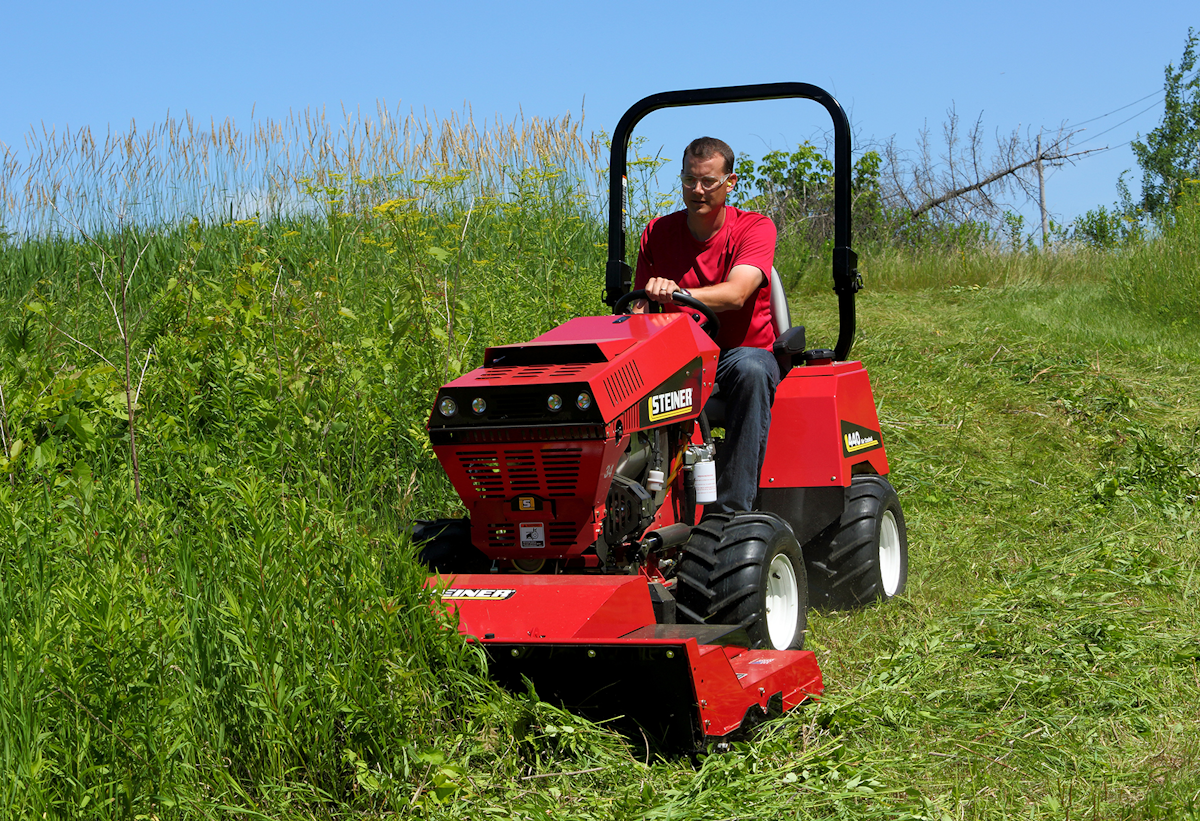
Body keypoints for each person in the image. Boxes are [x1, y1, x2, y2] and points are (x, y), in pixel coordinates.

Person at [632, 136, 779, 513]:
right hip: (678, 355)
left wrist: (677, 293)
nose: (697, 190)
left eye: (708, 182)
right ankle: (631, 508)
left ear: (730, 183)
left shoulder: (754, 228)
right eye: (689, 181)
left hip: (737, 355)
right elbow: (637, 307)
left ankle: (732, 513)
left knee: (752, 371)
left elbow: (737, 294)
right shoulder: (657, 233)